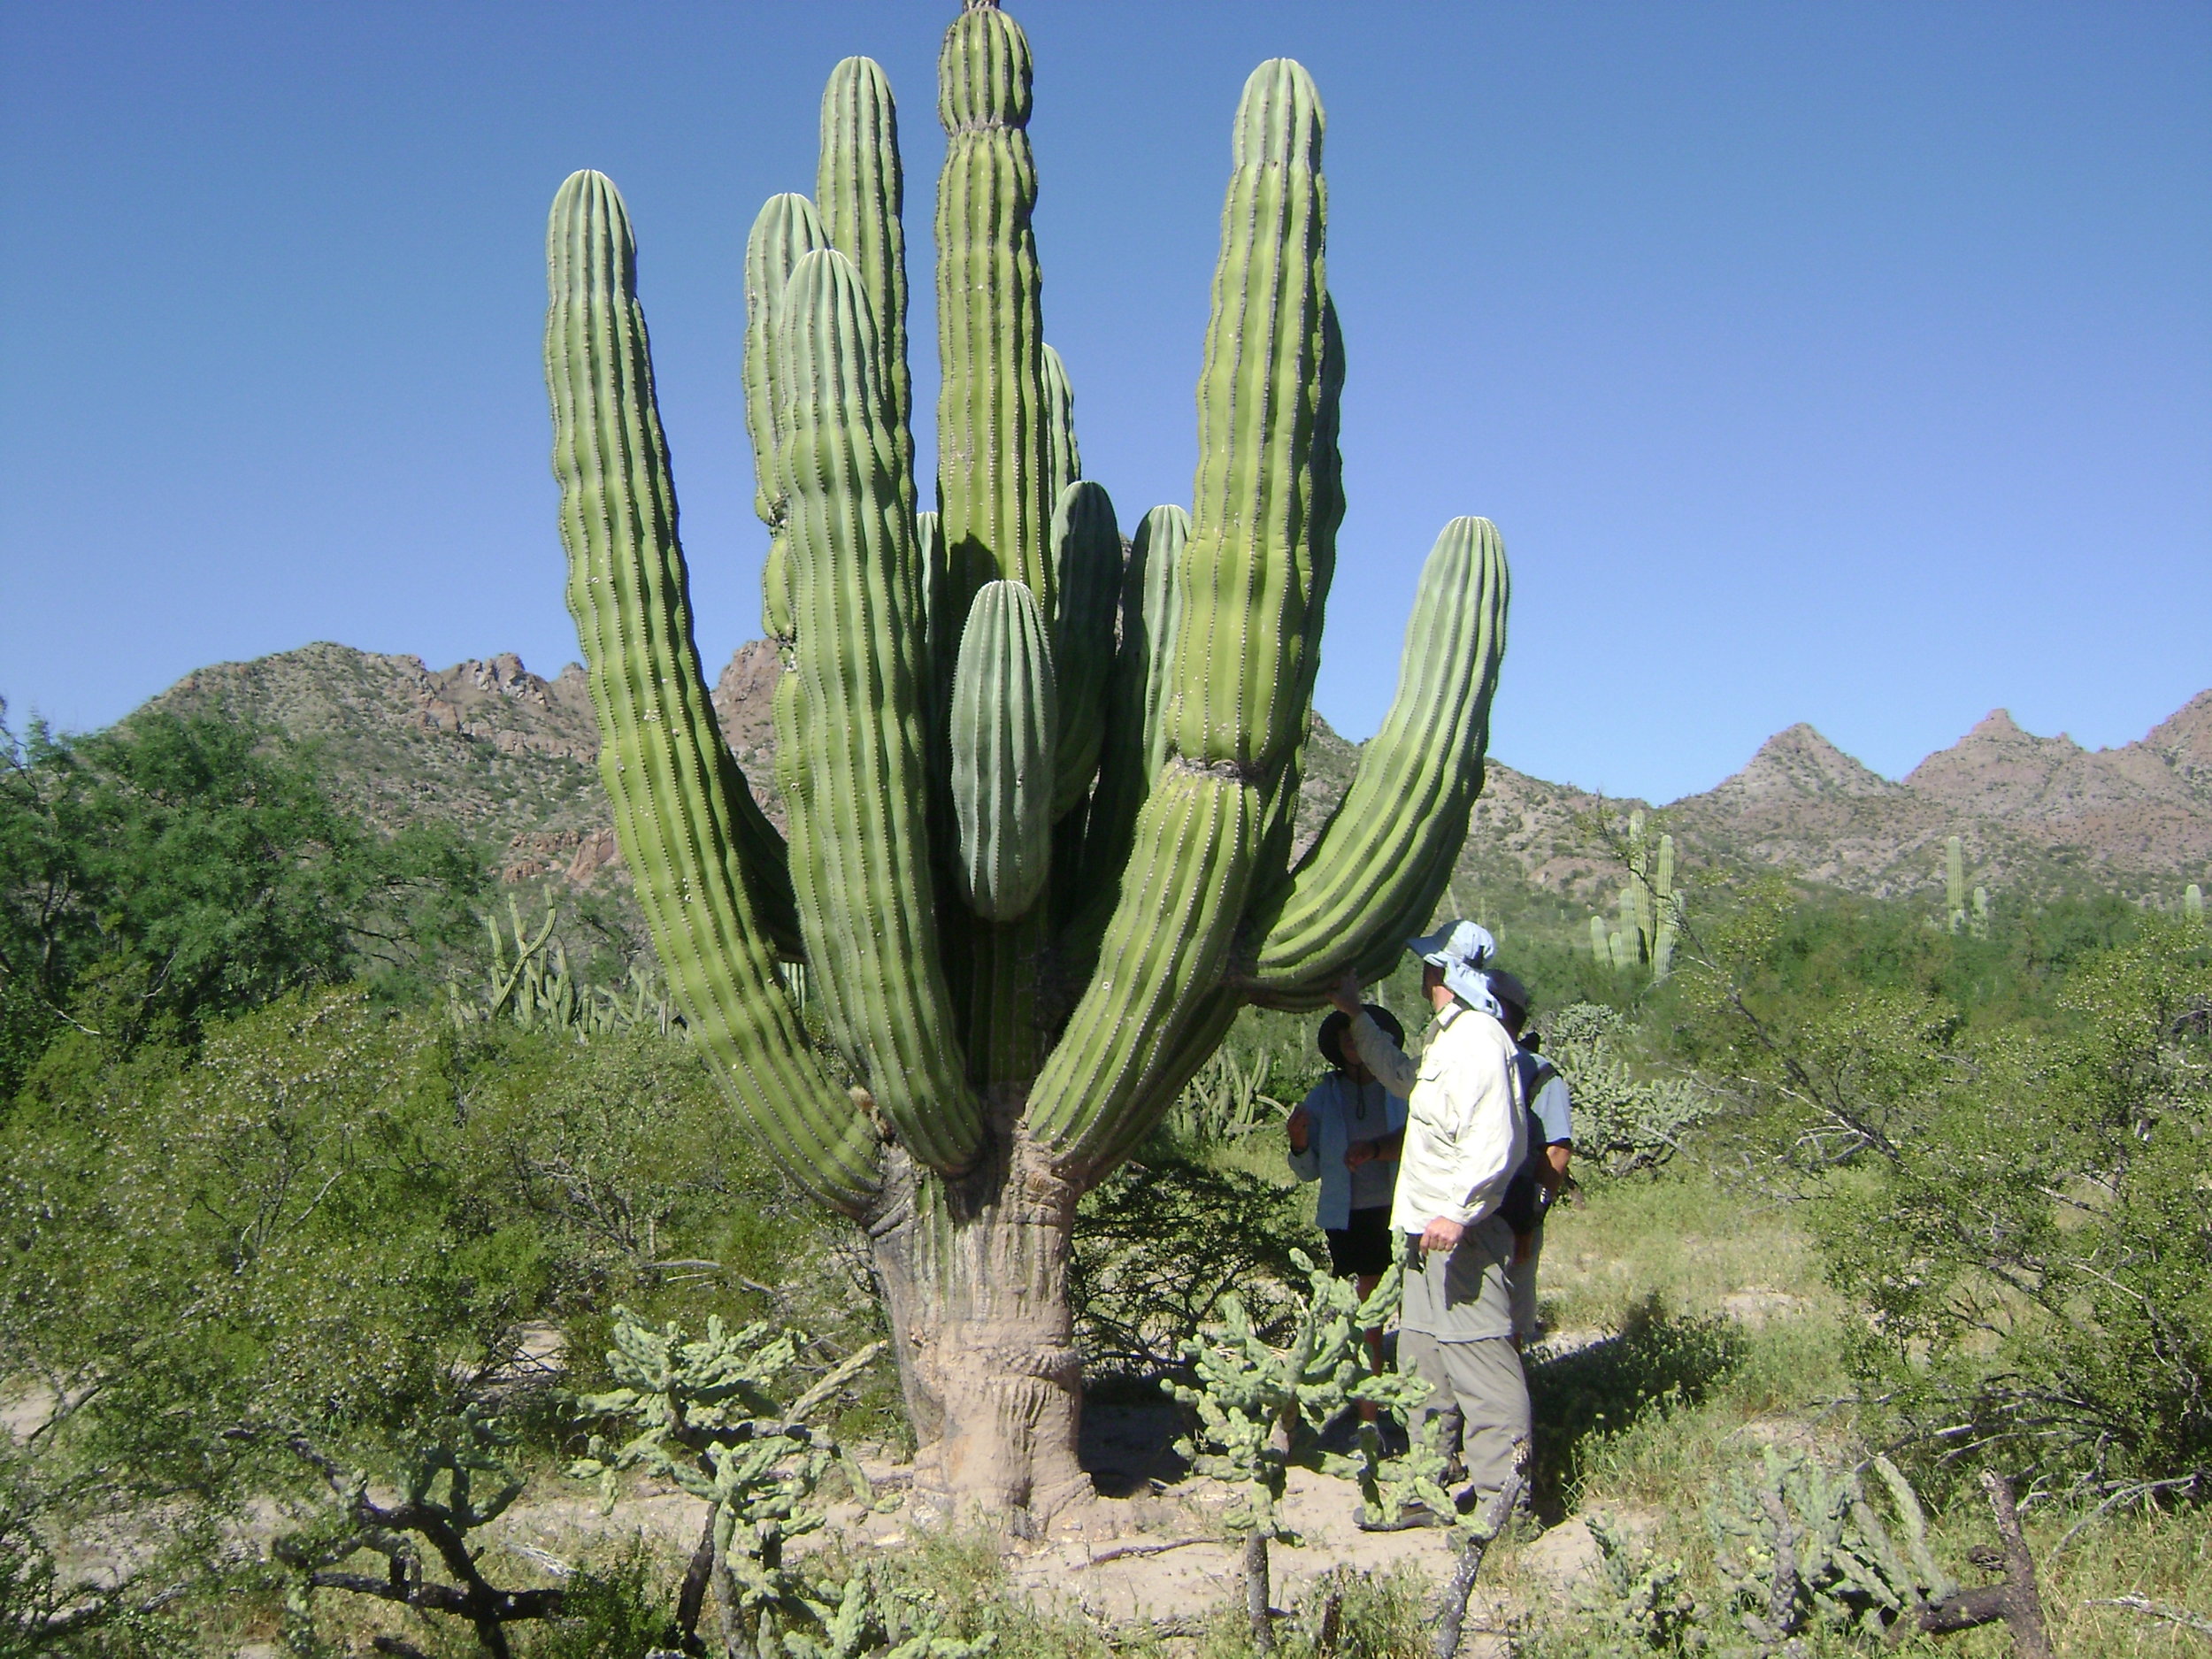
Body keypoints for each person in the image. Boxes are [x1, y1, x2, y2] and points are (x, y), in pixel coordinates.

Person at [1328, 920, 1530, 1524]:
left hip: (1459, 1235)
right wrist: (1355, 1015)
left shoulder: (1480, 1041)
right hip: (1424, 1234)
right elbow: (1405, 1080)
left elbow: (1500, 1141)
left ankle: (1504, 1507)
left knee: (1482, 1367)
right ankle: (1426, 1488)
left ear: (1446, 972)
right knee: (1423, 1368)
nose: (1423, 972)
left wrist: (1459, 1211)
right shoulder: (1448, 1039)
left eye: (1430, 963)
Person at [1286, 1004, 1409, 1396]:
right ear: (1338, 1047)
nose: (1355, 1044)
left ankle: (1412, 1397)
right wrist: (1299, 1142)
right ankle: (1369, 1408)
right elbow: (1308, 1171)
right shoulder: (1324, 1095)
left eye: (1361, 1036)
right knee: (1367, 1314)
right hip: (1349, 1217)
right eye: (1347, 1038)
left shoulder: (1401, 1087)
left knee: (1414, 1310)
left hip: (1402, 1211)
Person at [1486, 969, 1574, 1347]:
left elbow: (1556, 1151)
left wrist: (1531, 1217)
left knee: (1507, 1318)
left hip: (1512, 1212)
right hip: (1485, 1211)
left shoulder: (1538, 1072)